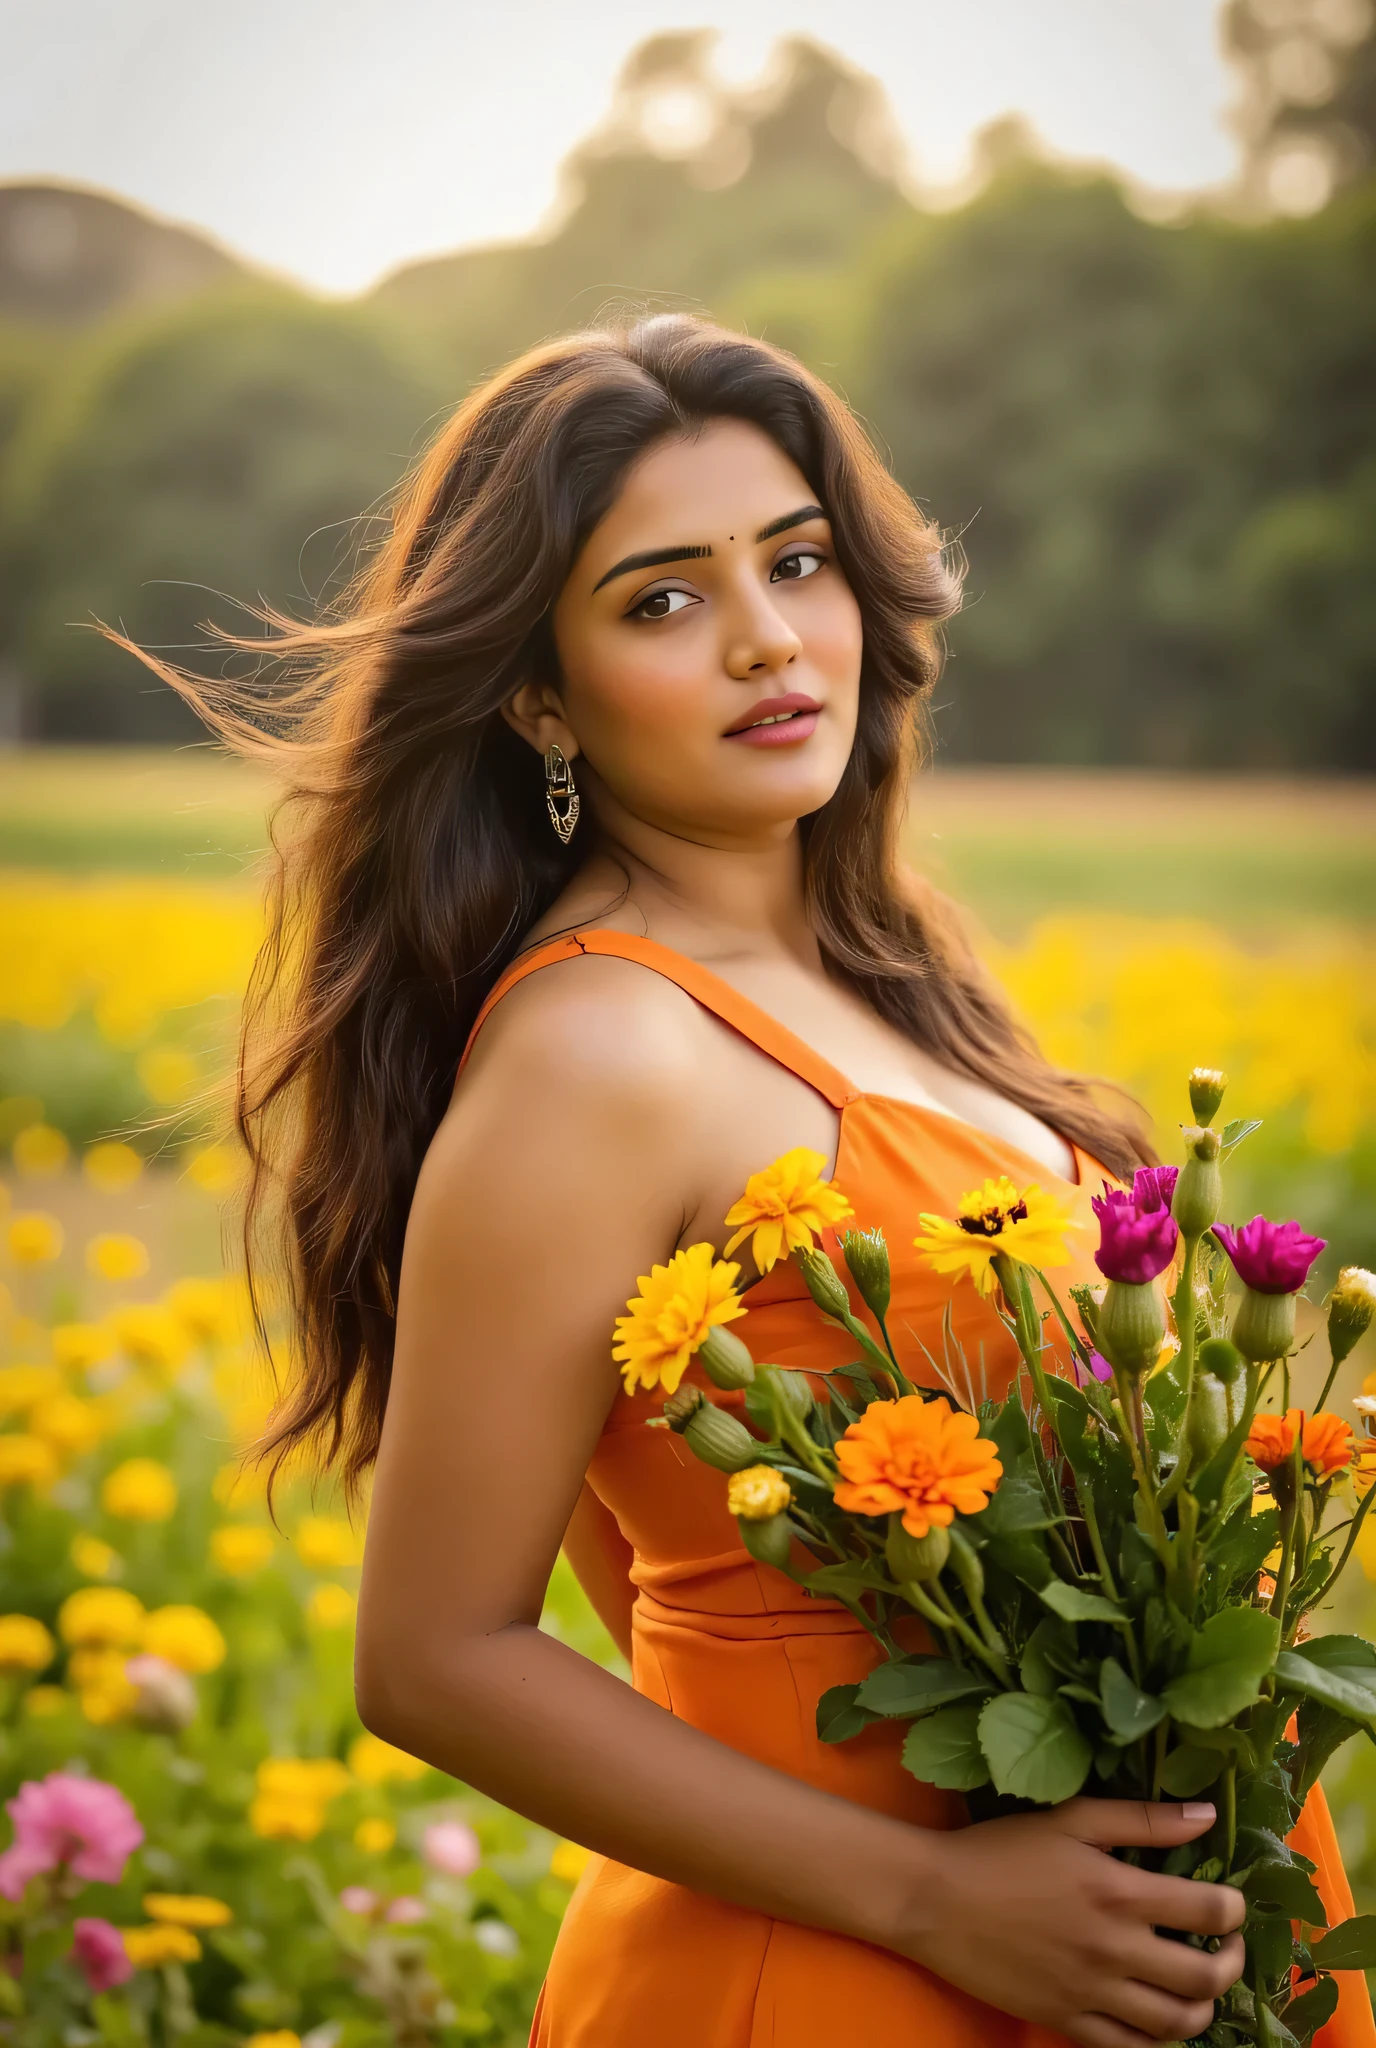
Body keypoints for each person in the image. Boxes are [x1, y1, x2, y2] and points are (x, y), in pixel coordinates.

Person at [116, 315, 1369, 2048]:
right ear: (537, 692)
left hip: (1093, 1950)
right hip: (852, 1981)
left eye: (797, 562)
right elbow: (436, 1656)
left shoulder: (893, 977)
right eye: (663, 599)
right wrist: (935, 1892)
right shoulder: (595, 1055)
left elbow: (674, 1583)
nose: (771, 639)